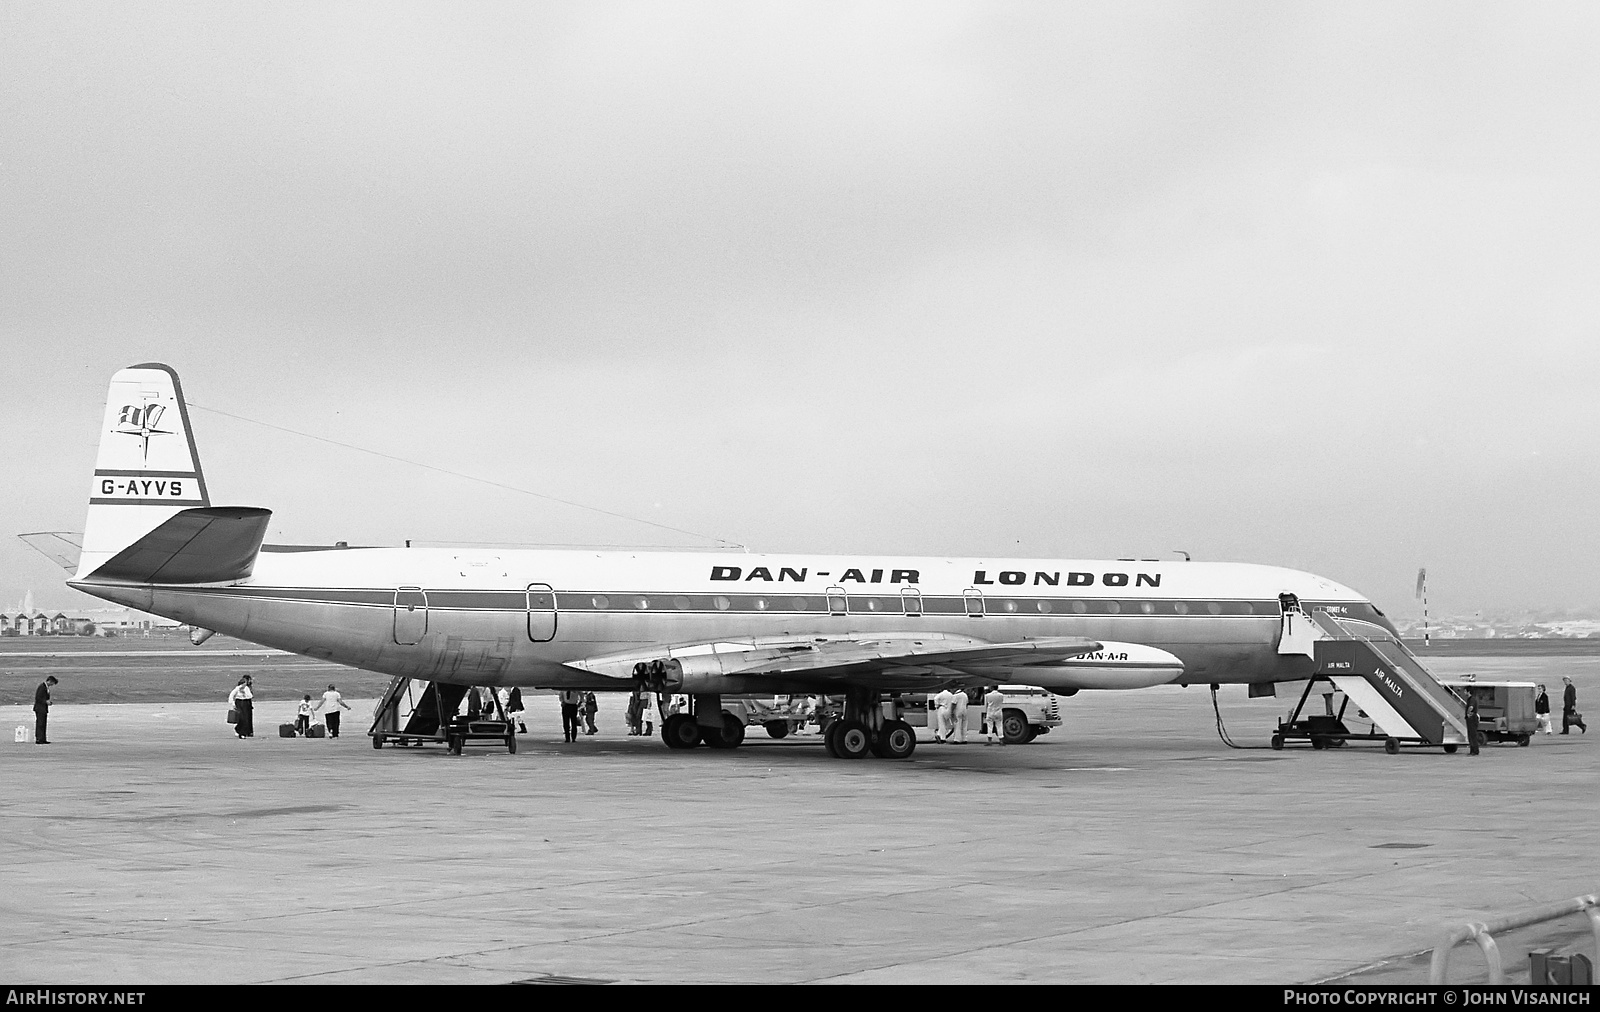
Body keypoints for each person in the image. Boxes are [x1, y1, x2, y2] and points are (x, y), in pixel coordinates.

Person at [33, 675, 57, 745]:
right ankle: (39, 739)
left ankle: (43, 738)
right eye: (52, 683)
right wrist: (45, 701)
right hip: (40, 708)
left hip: (43, 708)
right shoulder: (42, 687)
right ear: (49, 681)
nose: (52, 685)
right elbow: (38, 698)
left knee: (43, 724)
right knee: (40, 724)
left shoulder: (46, 688)